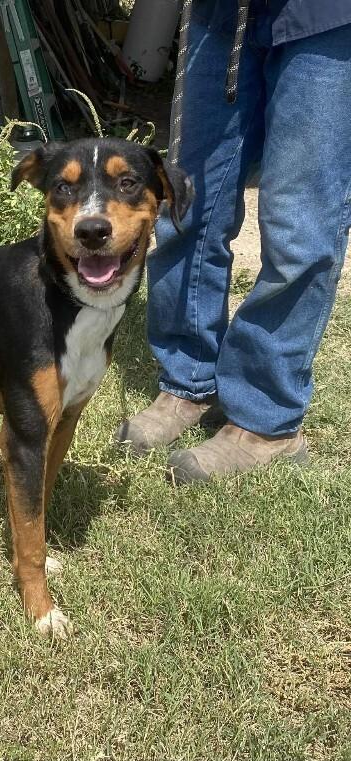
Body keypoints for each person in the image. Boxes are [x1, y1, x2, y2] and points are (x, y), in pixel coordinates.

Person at [115, 0, 351, 482]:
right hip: (220, 13)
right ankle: (187, 379)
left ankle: (267, 422)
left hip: (327, 15)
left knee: (297, 225)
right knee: (188, 207)